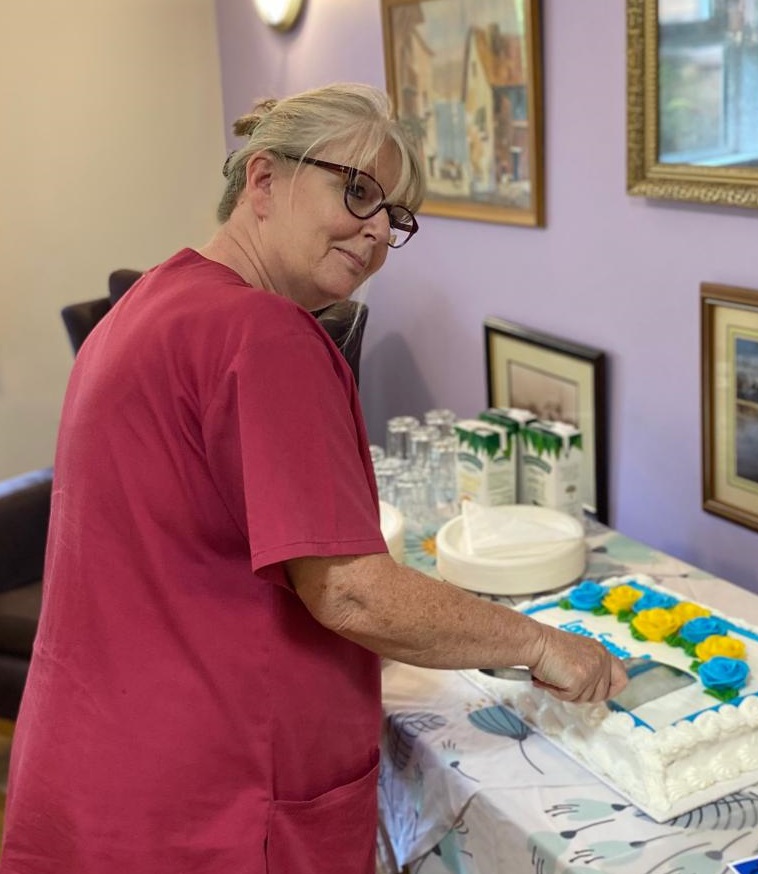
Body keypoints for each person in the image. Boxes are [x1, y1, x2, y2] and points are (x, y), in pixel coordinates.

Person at [0, 84, 627, 874]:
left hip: (95, 766)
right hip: (209, 799)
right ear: (263, 180)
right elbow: (351, 589)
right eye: (357, 191)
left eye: (394, 216)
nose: (374, 231)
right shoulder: (265, 334)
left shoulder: (149, 302)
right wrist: (539, 644)